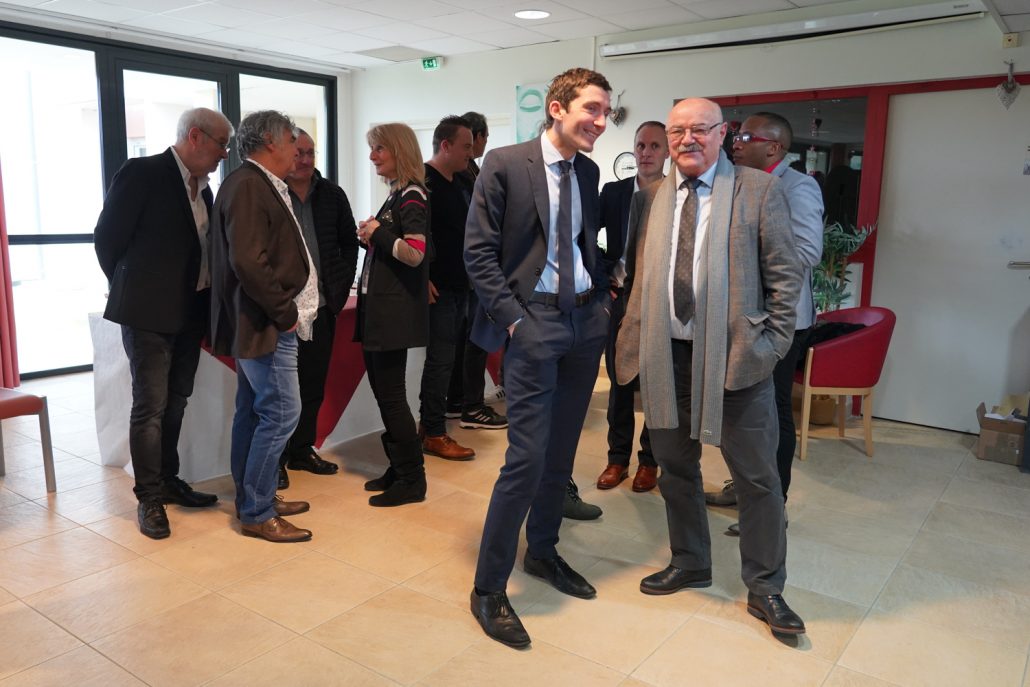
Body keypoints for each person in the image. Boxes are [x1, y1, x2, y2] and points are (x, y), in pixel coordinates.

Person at [616, 98, 806, 636]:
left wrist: (770, 346)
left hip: (737, 359)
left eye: (700, 129)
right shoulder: (651, 195)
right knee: (675, 468)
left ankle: (766, 587)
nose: (688, 140)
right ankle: (691, 561)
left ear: (723, 134)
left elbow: (786, 277)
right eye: (678, 130)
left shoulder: (758, 190)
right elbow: (641, 274)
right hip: (666, 356)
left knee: (757, 478)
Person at [465, 67, 613, 649]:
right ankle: (488, 588)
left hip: (584, 322)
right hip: (534, 322)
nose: (600, 122)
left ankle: (544, 553)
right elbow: (478, 253)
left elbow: (582, 244)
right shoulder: (504, 164)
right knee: (525, 458)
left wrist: (602, 296)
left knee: (561, 454)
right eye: (592, 109)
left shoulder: (589, 171)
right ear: (557, 107)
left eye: (606, 113)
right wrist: (516, 321)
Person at [94, 107, 230, 540]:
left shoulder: (205, 190)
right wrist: (132, 285)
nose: (224, 153)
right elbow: (107, 239)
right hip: (148, 313)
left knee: (176, 402)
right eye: (221, 144)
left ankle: (169, 480)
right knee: (150, 406)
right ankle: (149, 496)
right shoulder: (143, 173)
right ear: (195, 136)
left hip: (191, 312)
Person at [708, 112, 824, 534]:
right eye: (735, 136)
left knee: (771, 413)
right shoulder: (735, 183)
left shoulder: (798, 187)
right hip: (738, 317)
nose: (735, 144)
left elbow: (807, 251)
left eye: (745, 137)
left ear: (773, 147)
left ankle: (773, 505)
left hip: (779, 321)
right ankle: (745, 488)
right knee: (738, 412)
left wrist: (744, 258)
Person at [209, 110, 313, 543]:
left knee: (254, 412)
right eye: (292, 142)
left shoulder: (255, 182)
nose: (297, 152)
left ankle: (257, 497)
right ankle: (256, 510)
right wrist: (285, 313)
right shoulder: (250, 184)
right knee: (282, 413)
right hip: (265, 324)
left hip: (260, 322)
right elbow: (249, 261)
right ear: (271, 142)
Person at [277, 129, 360, 489]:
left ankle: (301, 448)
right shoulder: (271, 193)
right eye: (299, 153)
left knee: (313, 384)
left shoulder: (332, 195)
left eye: (311, 152)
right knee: (280, 391)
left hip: (323, 307)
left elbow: (348, 244)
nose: (306, 160)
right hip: (282, 310)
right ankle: (275, 458)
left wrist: (338, 292)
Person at [356, 123, 431, 507]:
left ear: (399, 151)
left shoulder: (412, 195)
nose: (373, 157)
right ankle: (400, 467)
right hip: (381, 310)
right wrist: (371, 235)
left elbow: (415, 254)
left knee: (391, 397)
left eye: (379, 149)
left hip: (392, 313)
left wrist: (378, 233)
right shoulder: (397, 194)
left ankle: (411, 479)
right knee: (386, 395)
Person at [595, 120, 669, 494]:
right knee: (620, 383)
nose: (646, 152)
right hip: (621, 298)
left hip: (660, 302)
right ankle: (617, 459)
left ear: (667, 152)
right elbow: (585, 236)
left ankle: (649, 461)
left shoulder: (676, 194)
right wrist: (603, 275)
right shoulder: (614, 192)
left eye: (655, 146)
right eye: (641, 145)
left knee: (656, 384)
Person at [419, 116, 477, 461]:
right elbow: (412, 234)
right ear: (446, 145)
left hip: (460, 285)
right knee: (440, 362)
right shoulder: (423, 183)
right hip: (438, 288)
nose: (471, 153)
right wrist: (421, 277)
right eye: (466, 146)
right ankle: (434, 432)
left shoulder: (461, 181)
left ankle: (430, 426)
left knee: (447, 359)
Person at [450, 111, 509, 432]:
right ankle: (471, 405)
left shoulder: (468, 173)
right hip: (473, 272)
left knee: (466, 337)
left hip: (468, 272)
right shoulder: (466, 175)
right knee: (474, 338)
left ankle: (458, 400)